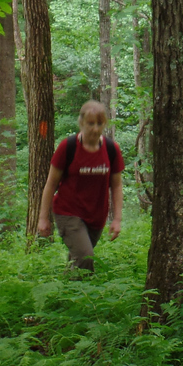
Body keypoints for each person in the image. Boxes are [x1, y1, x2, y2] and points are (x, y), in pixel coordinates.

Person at [36, 101, 124, 271]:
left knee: (78, 262)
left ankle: (68, 286)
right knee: (85, 257)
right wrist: (43, 218)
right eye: (90, 123)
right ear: (81, 123)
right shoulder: (68, 147)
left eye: (100, 124)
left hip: (96, 216)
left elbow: (117, 186)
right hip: (68, 212)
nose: (95, 129)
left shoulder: (111, 149)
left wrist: (117, 219)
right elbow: (51, 184)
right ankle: (84, 288)